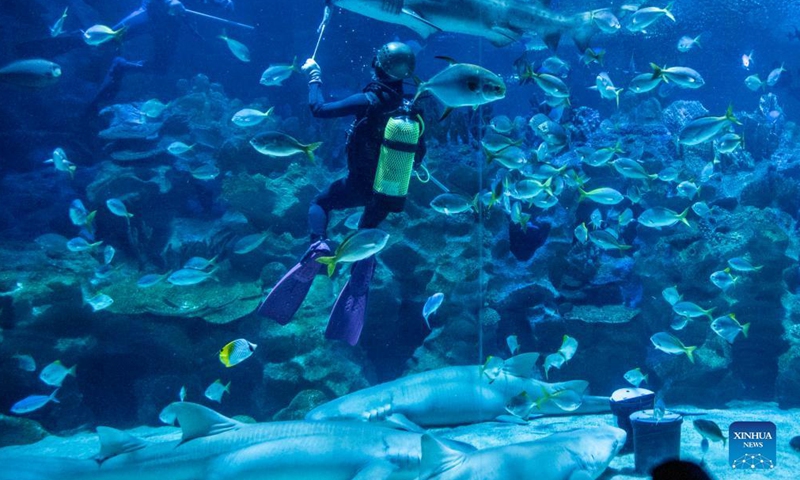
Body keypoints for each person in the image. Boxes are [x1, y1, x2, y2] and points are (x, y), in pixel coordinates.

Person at [258, 42, 426, 346]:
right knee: (367, 234)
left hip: (358, 184)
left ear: (378, 65)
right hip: (389, 189)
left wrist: (314, 77)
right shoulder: (410, 108)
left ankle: (319, 245)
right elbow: (419, 154)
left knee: (321, 203)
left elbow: (319, 109)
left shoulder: (368, 100)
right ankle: (362, 270)